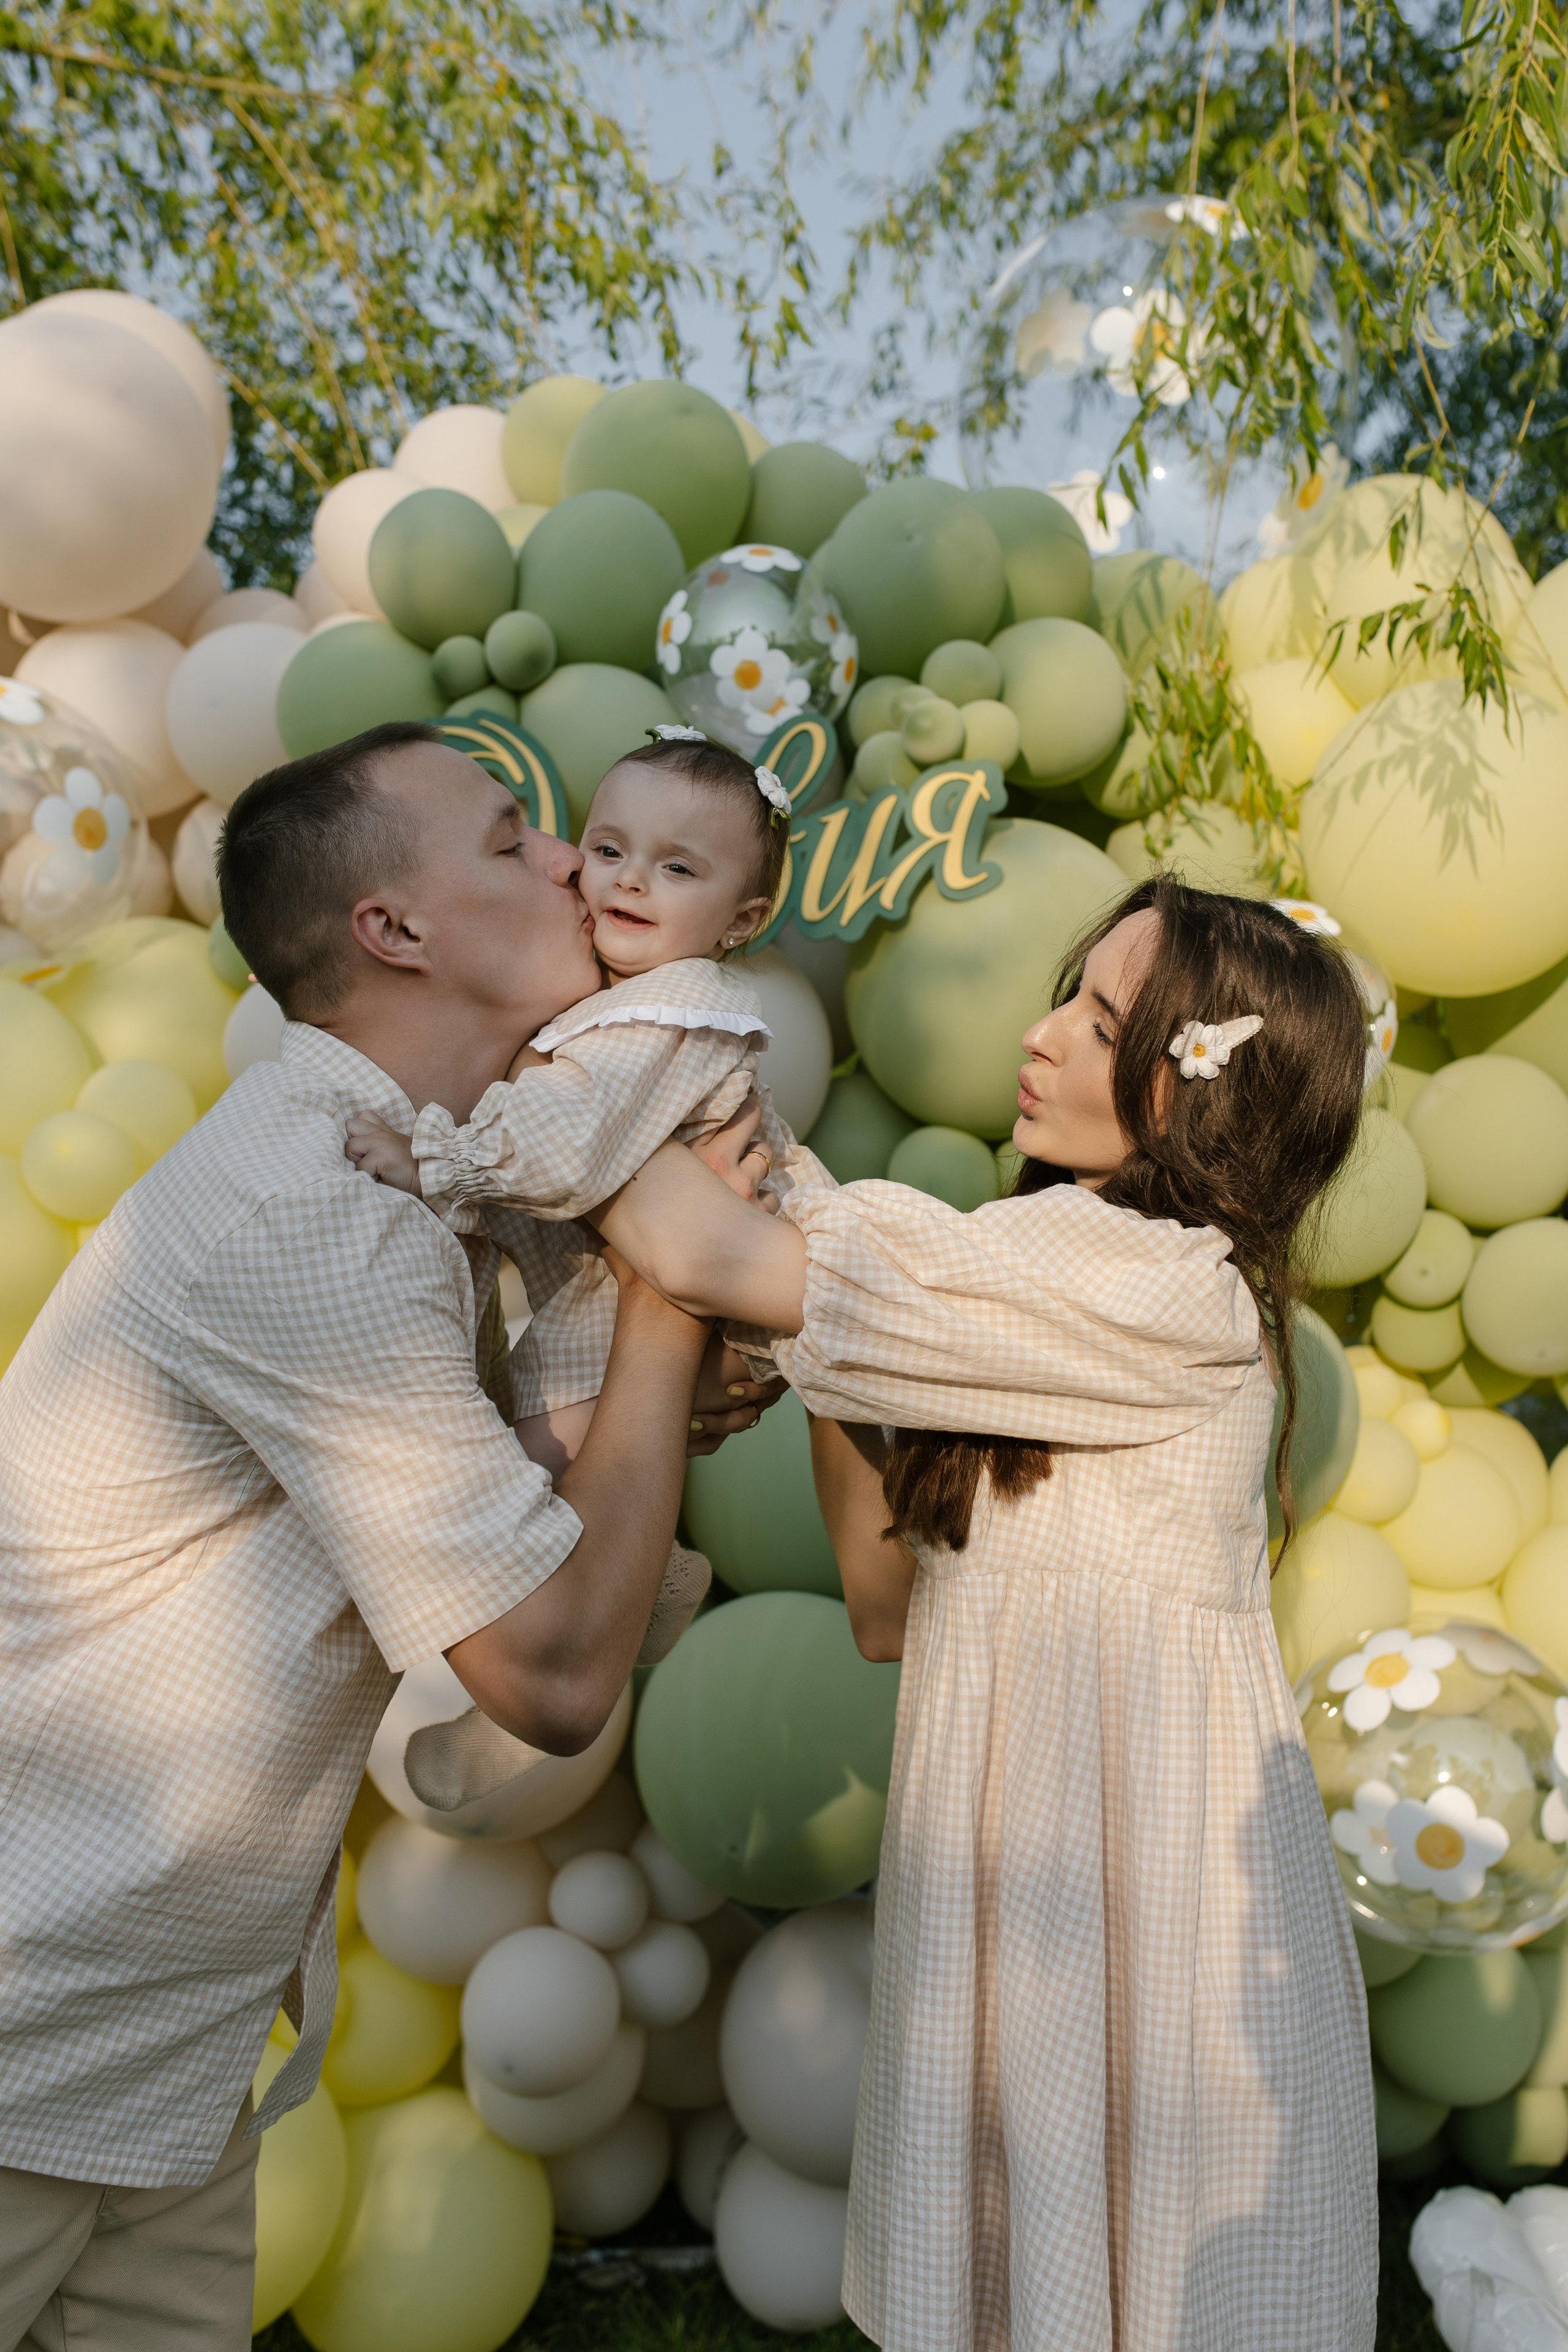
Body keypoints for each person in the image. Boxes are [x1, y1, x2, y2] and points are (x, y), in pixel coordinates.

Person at [0, 721, 772, 2351]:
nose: (577, 860)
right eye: (513, 839)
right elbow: (555, 1670)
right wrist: (668, 1307)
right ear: (394, 931)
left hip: (159, 2047)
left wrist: (626, 1399)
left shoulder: (417, 1206)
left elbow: (548, 1541)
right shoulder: (322, 1216)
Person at [589, 877, 1380, 2352]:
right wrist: (846, 1361)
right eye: (1065, 994)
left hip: (1139, 1910)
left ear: (1198, 1091)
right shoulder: (1020, 1295)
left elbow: (695, 1250)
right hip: (1026, 1889)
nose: (1034, 1038)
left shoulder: (1159, 1285)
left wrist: (561, 1053)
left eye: (1095, 1022)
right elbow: (884, 1606)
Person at [342, 728, 821, 1495]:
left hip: (698, 1293)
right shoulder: (612, 995)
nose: (630, 881)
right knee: (537, 1487)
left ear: (740, 921)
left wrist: (431, 1158)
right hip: (621, 1288)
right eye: (607, 851)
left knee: (516, 1495)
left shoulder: (672, 1007)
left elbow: (569, 1145)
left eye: (676, 867)